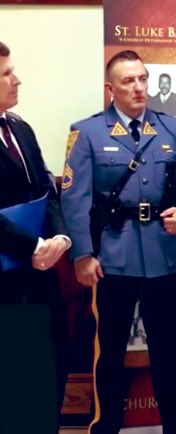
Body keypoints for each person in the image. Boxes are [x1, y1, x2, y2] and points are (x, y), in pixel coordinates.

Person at [60, 50, 176, 434]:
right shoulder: (88, 132)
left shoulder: (173, 130)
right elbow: (73, 197)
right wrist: (83, 254)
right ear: (111, 89)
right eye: (129, 81)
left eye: (143, 78)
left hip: (162, 251)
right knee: (110, 347)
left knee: (168, 346)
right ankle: (107, 423)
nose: (139, 87)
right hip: (113, 254)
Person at [0, 40, 70, 432]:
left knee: (47, 369)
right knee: (10, 382)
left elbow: (47, 186)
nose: (17, 80)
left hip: (40, 275)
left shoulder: (20, 128)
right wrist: (32, 246)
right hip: (5, 278)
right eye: (7, 74)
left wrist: (59, 237)